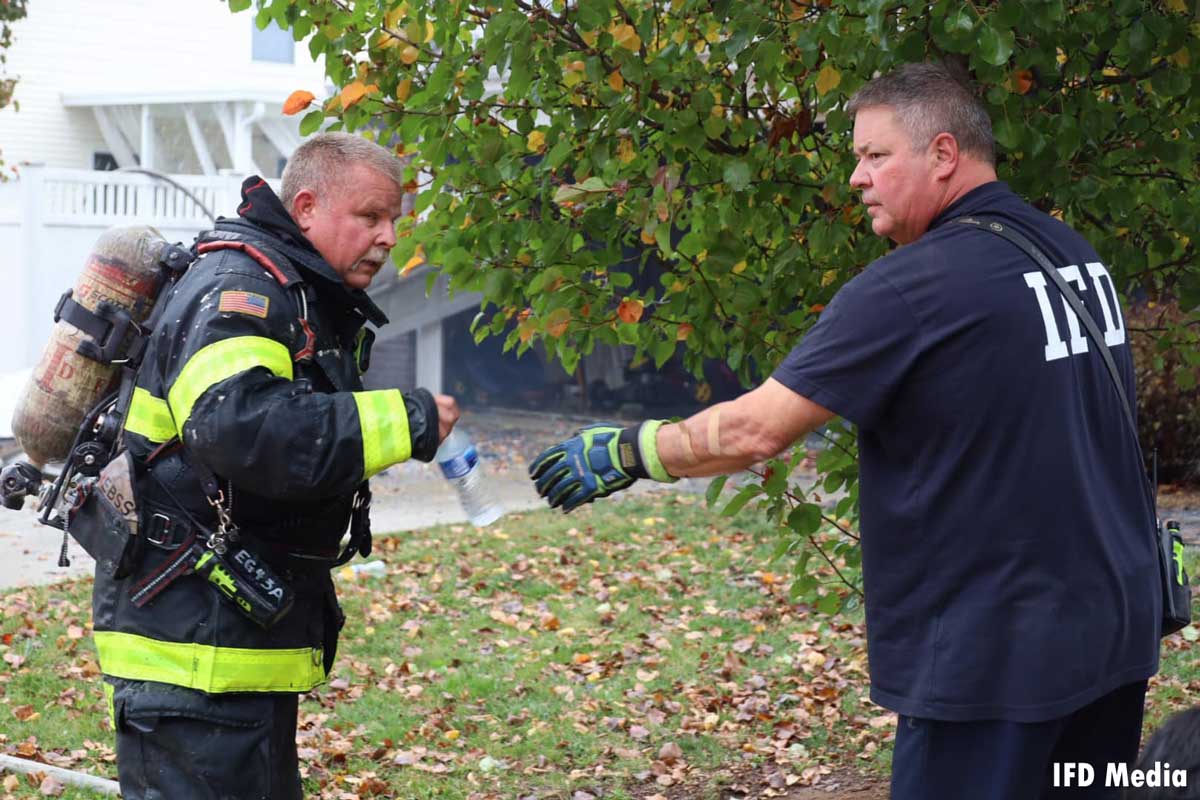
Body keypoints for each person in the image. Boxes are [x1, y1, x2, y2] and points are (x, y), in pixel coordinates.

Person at [530, 62, 1161, 799]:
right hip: (1114, 635)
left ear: (944, 154)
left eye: (875, 156)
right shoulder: (1072, 254)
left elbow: (753, 431)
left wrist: (633, 451)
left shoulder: (912, 286)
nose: (857, 179)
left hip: (995, 665)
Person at [94, 132, 458, 799]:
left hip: (225, 643)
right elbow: (241, 428)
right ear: (310, 207)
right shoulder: (242, 290)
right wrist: (403, 420)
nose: (388, 238)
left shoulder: (287, 288)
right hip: (194, 657)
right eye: (371, 216)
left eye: (395, 221)